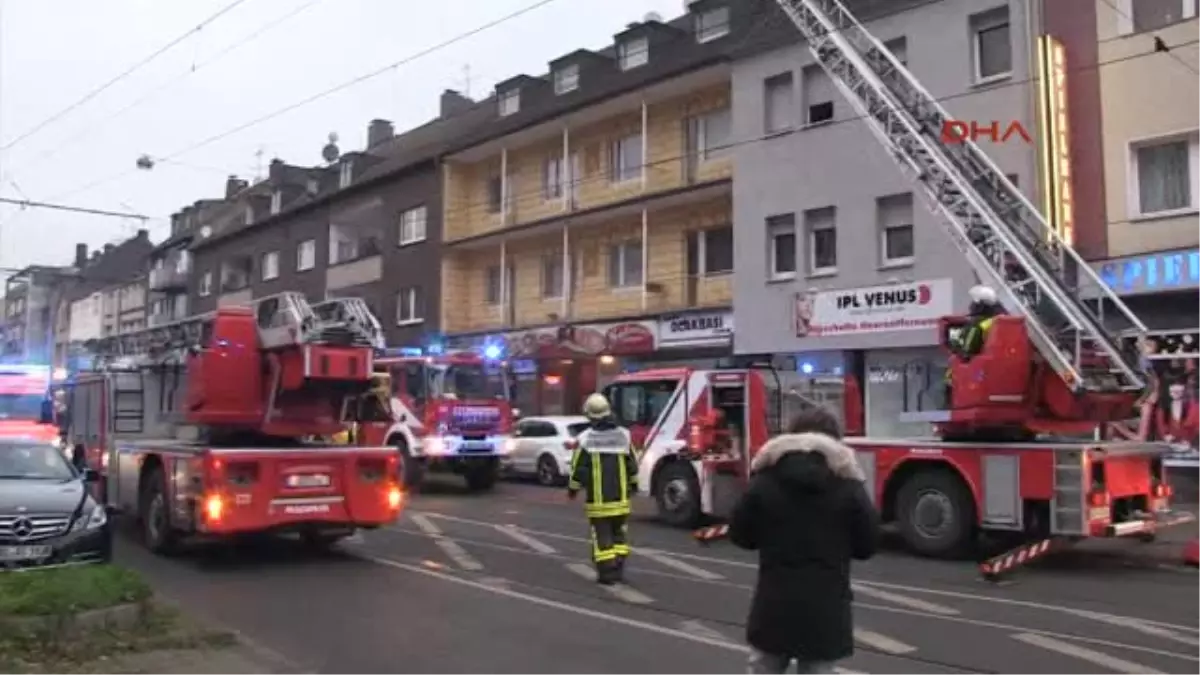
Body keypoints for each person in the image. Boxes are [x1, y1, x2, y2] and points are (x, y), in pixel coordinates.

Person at [728, 406, 880, 675]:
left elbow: (741, 535)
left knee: (764, 668)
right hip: (826, 608)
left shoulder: (765, 480)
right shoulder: (848, 485)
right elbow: (867, 545)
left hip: (774, 606)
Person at [567, 392, 638, 585]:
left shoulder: (586, 438)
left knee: (602, 536)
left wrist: (573, 489)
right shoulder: (623, 435)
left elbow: (579, 468)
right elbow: (633, 464)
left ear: (589, 415)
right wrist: (634, 485)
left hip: (599, 501)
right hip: (621, 499)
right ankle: (619, 568)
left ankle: (607, 574)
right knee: (619, 534)